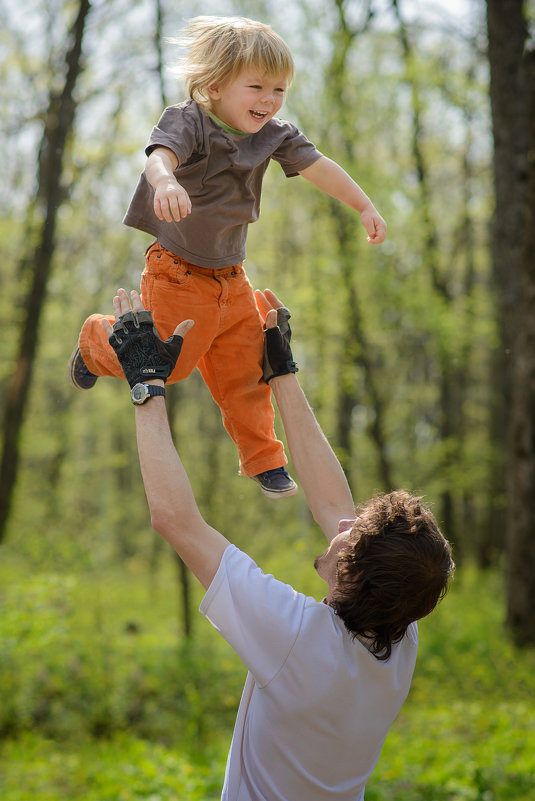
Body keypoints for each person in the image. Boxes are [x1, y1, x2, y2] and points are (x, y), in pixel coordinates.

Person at [103, 286, 454, 801]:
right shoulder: (399, 633)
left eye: (351, 536)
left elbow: (175, 519)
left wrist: (145, 383)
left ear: (352, 576)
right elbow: (334, 503)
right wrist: (282, 371)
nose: (341, 524)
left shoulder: (298, 643)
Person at [69, 15, 387, 500]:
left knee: (247, 368)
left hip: (232, 278)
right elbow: (158, 157)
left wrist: (362, 204)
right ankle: (97, 341)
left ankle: (264, 460)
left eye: (279, 88)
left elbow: (319, 167)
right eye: (256, 86)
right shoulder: (189, 120)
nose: (269, 99)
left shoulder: (275, 134)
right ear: (214, 86)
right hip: (177, 274)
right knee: (165, 366)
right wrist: (166, 182)